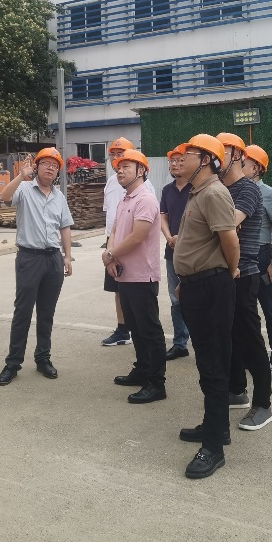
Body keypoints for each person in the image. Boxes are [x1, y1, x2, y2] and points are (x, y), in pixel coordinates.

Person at [171, 134, 241, 480]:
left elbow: (230, 240)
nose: (181, 158)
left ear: (206, 160)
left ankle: (214, 448)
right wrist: (187, 279)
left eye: (189, 153)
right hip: (196, 286)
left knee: (214, 365)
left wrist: (227, 272)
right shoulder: (197, 192)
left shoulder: (214, 193)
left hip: (212, 286)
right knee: (206, 361)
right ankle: (217, 427)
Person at [0, 147, 74, 386]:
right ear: (37, 167)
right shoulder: (24, 189)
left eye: (55, 165)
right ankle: (13, 363)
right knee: (23, 311)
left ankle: (43, 358)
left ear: (58, 172)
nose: (50, 168)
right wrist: (21, 175)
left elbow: (65, 227)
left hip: (53, 259)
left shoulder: (59, 197)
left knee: (46, 313)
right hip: (29, 258)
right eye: (46, 163)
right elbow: (4, 197)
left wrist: (67, 256)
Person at [216, 132, 272, 432]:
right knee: (230, 337)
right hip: (224, 273)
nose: (215, 157)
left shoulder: (247, 189)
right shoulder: (220, 188)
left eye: (222, 151)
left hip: (245, 273)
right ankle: (237, 390)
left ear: (237, 155)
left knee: (250, 339)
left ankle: (263, 403)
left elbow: (225, 225)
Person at [105, 150, 166, 403]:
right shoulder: (125, 199)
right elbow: (115, 231)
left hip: (142, 277)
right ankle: (142, 370)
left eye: (126, 167)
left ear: (141, 171)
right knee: (136, 329)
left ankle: (157, 383)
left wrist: (110, 254)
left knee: (149, 331)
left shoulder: (146, 199)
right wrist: (111, 256)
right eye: (118, 167)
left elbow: (137, 237)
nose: (120, 171)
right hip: (125, 275)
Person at [246, 145, 272, 385]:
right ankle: (251, 359)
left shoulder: (270, 194)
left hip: (263, 257)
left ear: (256, 168)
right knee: (246, 313)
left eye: (243, 163)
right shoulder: (237, 191)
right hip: (244, 256)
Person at [101, 136, 139, 346]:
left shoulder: (142, 184)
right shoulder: (110, 182)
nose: (116, 159)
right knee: (117, 287)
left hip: (130, 241)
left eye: (121, 154)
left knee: (134, 288)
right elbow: (110, 215)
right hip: (112, 240)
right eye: (113, 155)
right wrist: (109, 246)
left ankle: (137, 329)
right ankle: (123, 329)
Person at [159, 144, 192, 360]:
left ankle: (202, 341)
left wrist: (182, 236)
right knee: (175, 298)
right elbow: (163, 216)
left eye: (181, 160)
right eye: (173, 161)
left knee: (196, 297)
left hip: (194, 253)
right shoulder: (167, 190)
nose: (176, 164)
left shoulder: (197, 189)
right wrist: (169, 236)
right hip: (172, 251)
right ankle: (180, 343)